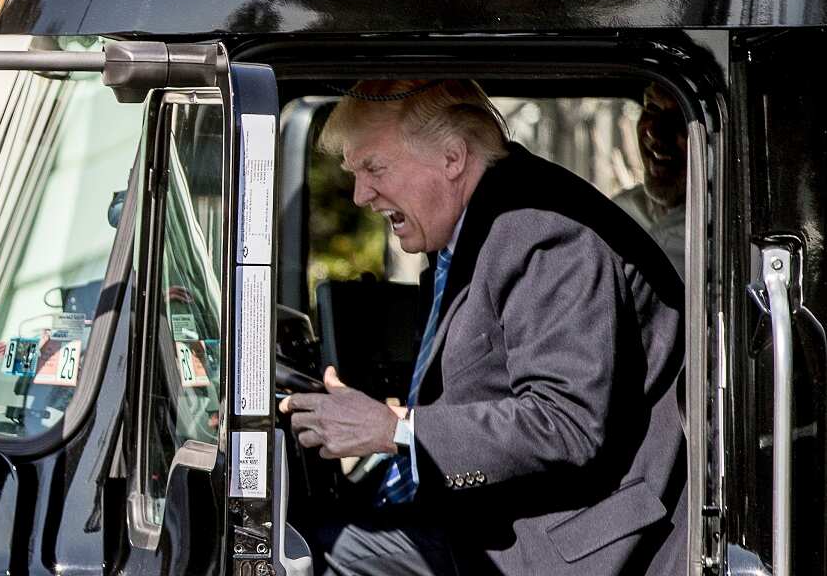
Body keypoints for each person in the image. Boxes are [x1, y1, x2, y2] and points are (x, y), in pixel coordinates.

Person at [280, 79, 687, 575]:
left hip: (567, 541)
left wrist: (395, 430)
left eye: (374, 168)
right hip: (500, 514)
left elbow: (567, 424)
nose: (362, 194)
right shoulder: (480, 224)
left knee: (307, 553)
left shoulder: (540, 230)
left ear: (452, 158)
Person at [613, 83, 688, 280]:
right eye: (652, 108)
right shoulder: (620, 211)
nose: (655, 132)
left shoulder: (725, 237)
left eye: (681, 117)